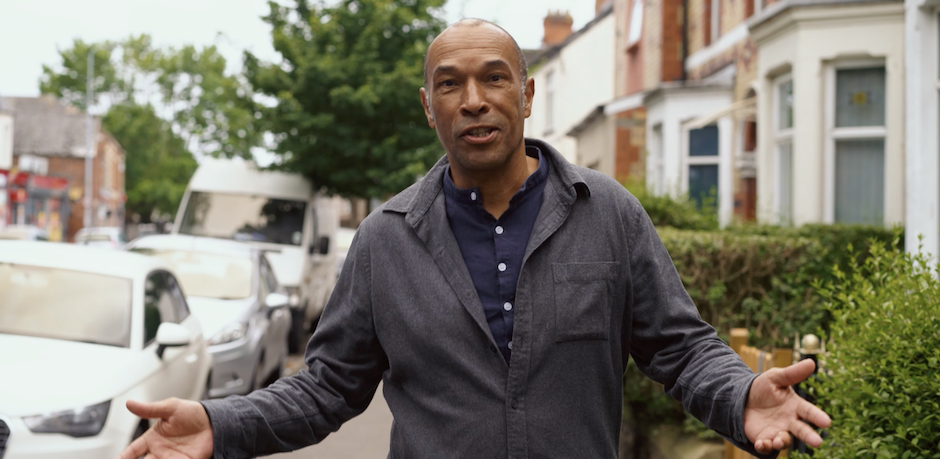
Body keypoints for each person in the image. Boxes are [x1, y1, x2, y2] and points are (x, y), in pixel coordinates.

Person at [117, 19, 831, 459]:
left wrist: (740, 394)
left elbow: (677, 347)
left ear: (525, 94)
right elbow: (329, 386)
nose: (475, 99)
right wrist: (220, 421)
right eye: (450, 84)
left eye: (494, 79)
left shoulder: (607, 213)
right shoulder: (386, 239)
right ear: (429, 108)